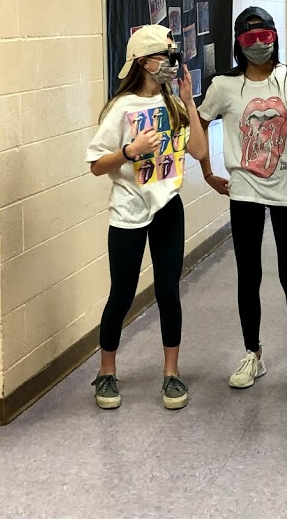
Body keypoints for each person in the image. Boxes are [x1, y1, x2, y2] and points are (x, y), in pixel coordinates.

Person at [197, 6, 287, 396]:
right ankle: (252, 353)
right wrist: (207, 172)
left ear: (275, 37)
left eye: (265, 36)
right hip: (244, 192)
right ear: (238, 43)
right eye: (249, 38)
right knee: (248, 275)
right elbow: (198, 126)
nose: (258, 44)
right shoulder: (223, 86)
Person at [85, 25, 208, 410]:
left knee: (169, 291)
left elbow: (200, 152)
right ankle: (106, 371)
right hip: (129, 212)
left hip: (167, 207)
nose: (172, 61)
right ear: (143, 62)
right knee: (122, 295)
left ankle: (171, 373)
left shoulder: (173, 104)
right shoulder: (121, 108)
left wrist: (189, 103)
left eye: (173, 54)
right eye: (164, 55)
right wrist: (129, 150)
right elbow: (96, 165)